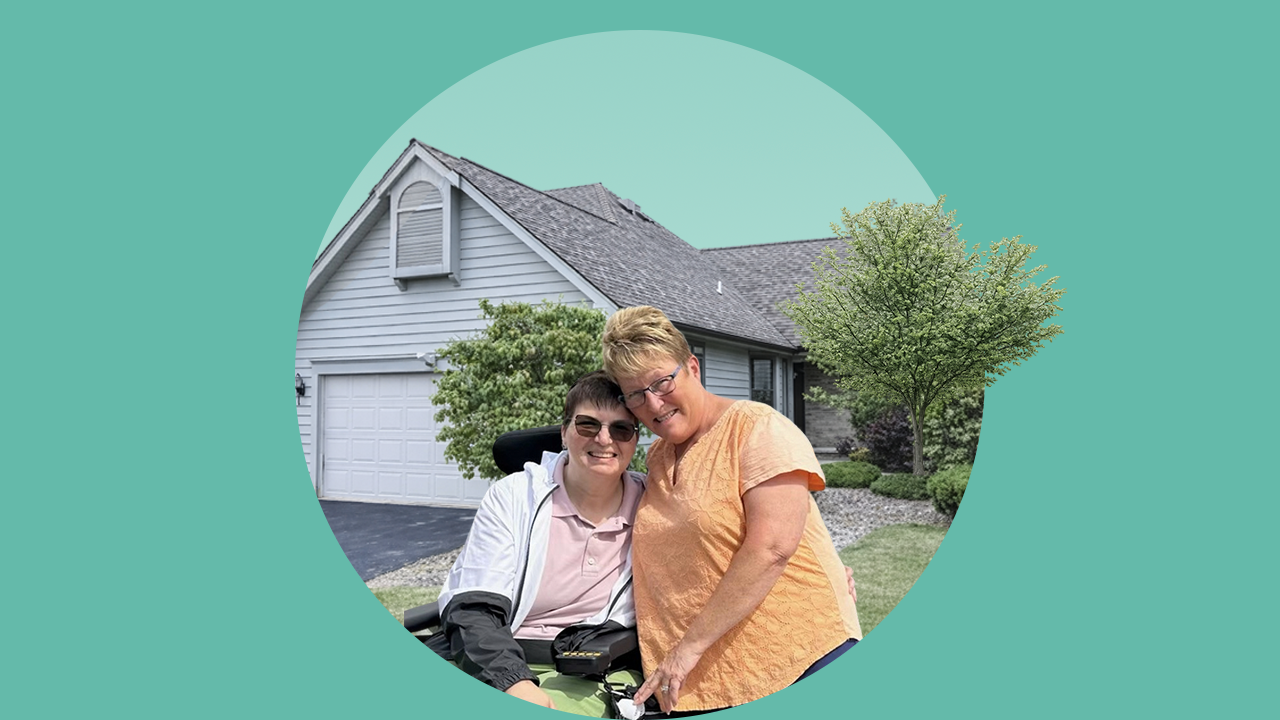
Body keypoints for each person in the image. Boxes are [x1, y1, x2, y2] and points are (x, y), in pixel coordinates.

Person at [603, 306, 862, 715]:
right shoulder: (658, 457)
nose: (653, 403)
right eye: (635, 394)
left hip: (796, 662)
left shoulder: (757, 428)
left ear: (692, 367)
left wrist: (686, 650)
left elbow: (772, 548)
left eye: (662, 382)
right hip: (699, 684)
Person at [434, 371, 646, 717]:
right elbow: (474, 606)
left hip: (591, 668)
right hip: (498, 658)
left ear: (635, 440)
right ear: (564, 432)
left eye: (622, 429)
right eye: (588, 425)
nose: (604, 439)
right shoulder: (515, 496)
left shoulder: (654, 505)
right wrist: (512, 681)